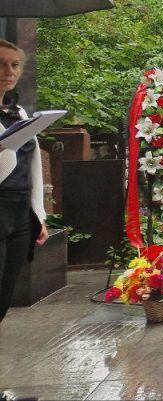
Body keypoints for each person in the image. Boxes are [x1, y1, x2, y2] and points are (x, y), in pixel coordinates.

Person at [0, 41, 48, 323]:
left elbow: (32, 165)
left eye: (14, 64)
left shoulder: (17, 113)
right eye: (1, 64)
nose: (9, 70)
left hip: (19, 212)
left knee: (5, 294)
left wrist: (38, 214)